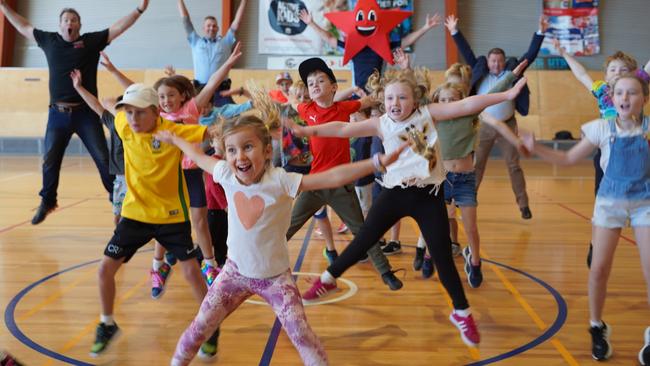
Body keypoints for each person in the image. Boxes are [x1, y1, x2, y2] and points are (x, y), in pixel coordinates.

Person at [292, 67, 528, 347]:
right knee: (364, 239)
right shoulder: (380, 123)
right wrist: (307, 129)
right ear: (383, 101)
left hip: (428, 196)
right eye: (390, 98)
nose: (395, 104)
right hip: (394, 194)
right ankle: (329, 278)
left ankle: (461, 311)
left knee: (442, 257)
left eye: (402, 98)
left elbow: (467, 104)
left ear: (415, 100)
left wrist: (506, 94)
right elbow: (341, 128)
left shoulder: (429, 114)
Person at [160, 114, 406, 366]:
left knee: (302, 335)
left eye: (248, 147)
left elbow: (332, 177)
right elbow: (199, 157)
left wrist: (375, 162)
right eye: (232, 150)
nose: (240, 157)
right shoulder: (225, 173)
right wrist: (174, 138)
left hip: (275, 280)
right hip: (233, 274)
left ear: (267, 151)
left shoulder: (280, 180)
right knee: (198, 328)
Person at [520, 73, 650, 364]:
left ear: (645, 98)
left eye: (633, 93)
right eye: (620, 93)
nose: (626, 98)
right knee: (598, 270)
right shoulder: (602, 128)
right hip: (609, 204)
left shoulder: (648, 129)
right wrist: (535, 148)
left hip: (645, 203)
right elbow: (567, 160)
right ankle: (597, 326)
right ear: (612, 99)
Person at [90, 84, 218, 359]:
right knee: (104, 271)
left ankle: (210, 325)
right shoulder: (124, 124)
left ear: (155, 112)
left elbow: (209, 132)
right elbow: (107, 105)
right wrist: (81, 88)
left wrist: (226, 134)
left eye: (139, 113)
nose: (133, 119)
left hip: (170, 216)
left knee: (190, 273)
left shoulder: (173, 131)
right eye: (130, 113)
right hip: (134, 215)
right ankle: (107, 323)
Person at [0, 0, 150, 225]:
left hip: (86, 115)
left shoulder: (90, 42)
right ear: (60, 25)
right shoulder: (49, 40)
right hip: (58, 114)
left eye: (73, 20)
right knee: (50, 159)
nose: (69, 23)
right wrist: (5, 7)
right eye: (66, 20)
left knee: (103, 158)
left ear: (79, 25)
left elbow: (118, 28)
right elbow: (23, 26)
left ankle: (119, 200)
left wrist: (139, 10)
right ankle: (48, 201)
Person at [284, 57, 402, 290]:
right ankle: (259, 262)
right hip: (315, 184)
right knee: (287, 227)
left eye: (321, 80)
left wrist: (384, 90)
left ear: (334, 87)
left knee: (362, 231)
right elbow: (291, 102)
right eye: (311, 83)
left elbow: (368, 99)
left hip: (342, 187)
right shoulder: (307, 109)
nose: (315, 85)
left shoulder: (344, 107)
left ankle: (385, 271)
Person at [554, 40, 650, 267]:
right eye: (613, 70)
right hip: (609, 157)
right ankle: (595, 242)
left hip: (638, 154)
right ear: (606, 76)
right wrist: (564, 54)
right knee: (602, 203)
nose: (618, 73)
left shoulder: (636, 87)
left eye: (624, 70)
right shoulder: (602, 92)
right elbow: (581, 73)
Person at [445, 14, 547, 219]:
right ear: (488, 62)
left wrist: (540, 32)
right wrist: (454, 31)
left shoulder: (512, 73)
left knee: (513, 165)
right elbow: (466, 51)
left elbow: (531, 55)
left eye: (500, 61)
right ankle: (468, 198)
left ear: (504, 61)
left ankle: (523, 205)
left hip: (508, 124)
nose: (497, 64)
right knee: (477, 165)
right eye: (493, 61)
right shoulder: (480, 71)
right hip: (483, 125)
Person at [299, 9, 440, 92]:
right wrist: (311, 23)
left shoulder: (382, 44)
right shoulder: (351, 45)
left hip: (378, 91)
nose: (366, 23)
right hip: (357, 91)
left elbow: (406, 41)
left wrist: (425, 28)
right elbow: (329, 38)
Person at [70, 69, 124, 227]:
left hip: (139, 177)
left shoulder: (141, 126)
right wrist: (79, 87)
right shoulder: (114, 122)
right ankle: (119, 239)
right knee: (118, 214)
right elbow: (96, 105)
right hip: (121, 177)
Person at [177, 0, 247, 106]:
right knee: (198, 120)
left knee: (233, 119)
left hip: (221, 92)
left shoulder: (226, 41)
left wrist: (244, 2)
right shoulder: (196, 41)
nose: (211, 28)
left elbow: (237, 23)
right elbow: (186, 22)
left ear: (218, 28)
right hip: (200, 91)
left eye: (214, 26)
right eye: (208, 25)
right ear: (203, 28)